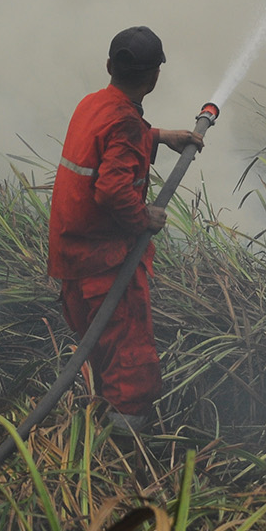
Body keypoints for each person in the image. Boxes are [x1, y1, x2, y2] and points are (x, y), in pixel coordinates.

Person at [48, 26, 203, 434]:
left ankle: (94, 429)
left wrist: (159, 137)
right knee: (131, 366)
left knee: (101, 352)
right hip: (104, 264)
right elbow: (113, 188)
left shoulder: (92, 104)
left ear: (108, 66)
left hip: (73, 256)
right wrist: (143, 218)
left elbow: (110, 138)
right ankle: (121, 449)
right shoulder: (126, 125)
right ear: (155, 77)